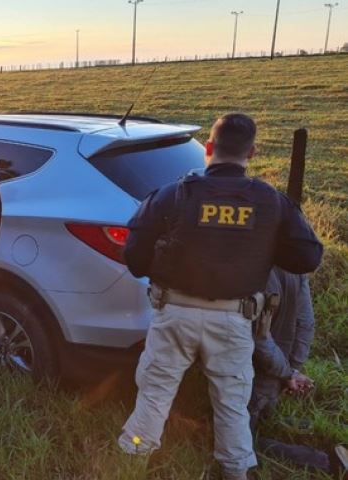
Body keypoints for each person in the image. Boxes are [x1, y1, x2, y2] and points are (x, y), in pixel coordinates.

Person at [117, 113, 323, 480]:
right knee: (231, 404)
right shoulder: (271, 201)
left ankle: (131, 459)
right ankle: (236, 470)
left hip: (173, 315)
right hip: (234, 320)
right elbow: (308, 257)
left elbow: (134, 258)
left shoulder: (174, 193)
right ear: (252, 152)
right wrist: (263, 249)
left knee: (155, 395)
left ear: (208, 149)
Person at [251, 266, 348, 476]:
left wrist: (289, 373)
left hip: (254, 379)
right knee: (264, 421)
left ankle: (326, 463)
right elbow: (306, 322)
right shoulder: (296, 259)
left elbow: (259, 340)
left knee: (236, 440)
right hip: (274, 382)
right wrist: (294, 368)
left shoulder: (255, 263)